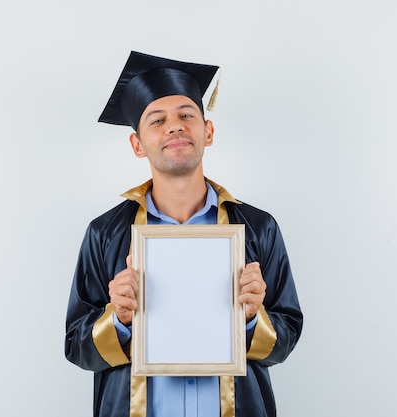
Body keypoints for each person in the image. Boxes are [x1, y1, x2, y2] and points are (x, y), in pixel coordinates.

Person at [64, 50, 303, 417]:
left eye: (186, 115)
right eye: (157, 120)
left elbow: (286, 339)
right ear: (137, 145)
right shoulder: (105, 234)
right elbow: (75, 347)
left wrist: (254, 317)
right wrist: (119, 319)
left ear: (207, 132)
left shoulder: (257, 228)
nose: (174, 126)